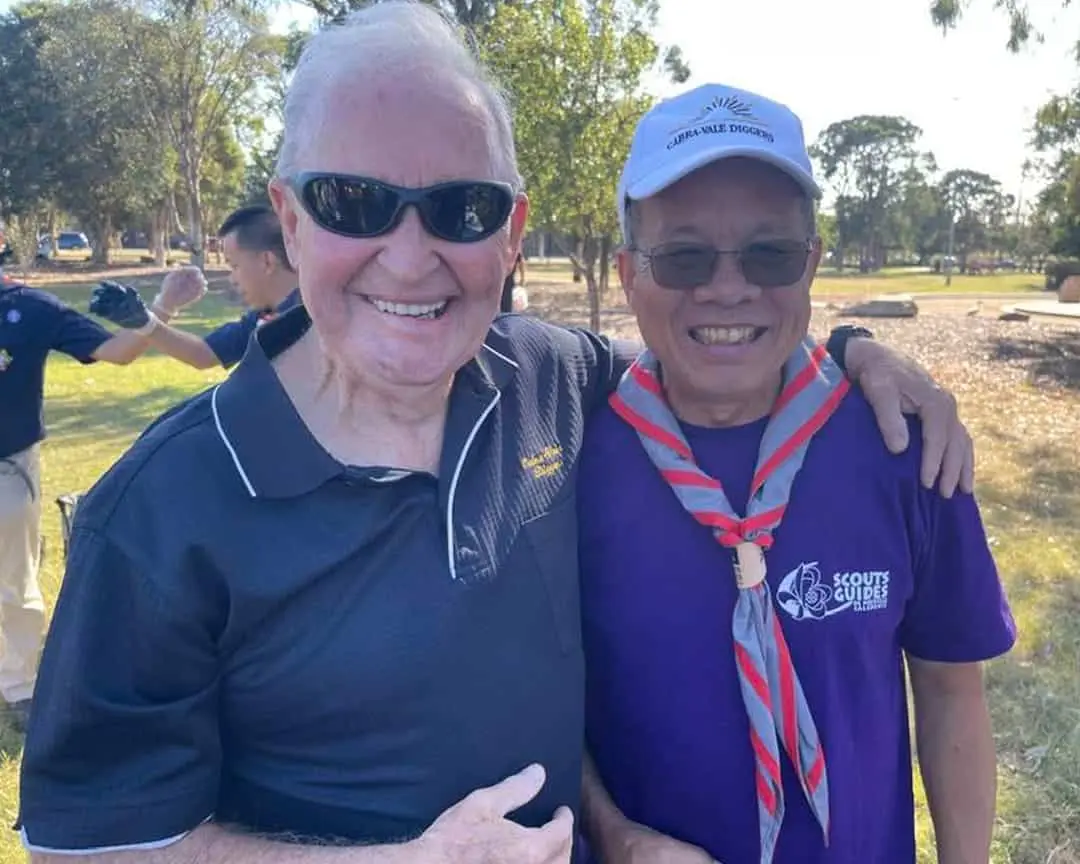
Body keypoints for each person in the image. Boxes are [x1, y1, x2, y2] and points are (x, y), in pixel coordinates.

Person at [19, 5, 974, 863]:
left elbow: (719, 340)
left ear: (511, 234)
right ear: (290, 218)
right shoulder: (155, 516)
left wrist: (859, 353)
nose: (409, 255)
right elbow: (95, 843)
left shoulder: (554, 384)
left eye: (459, 210)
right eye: (355, 202)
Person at [576, 83, 1016, 864]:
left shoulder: (906, 448)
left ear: (811, 262)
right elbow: (541, 701)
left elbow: (951, 691)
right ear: (627, 273)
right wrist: (614, 835)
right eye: (683, 256)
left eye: (768, 252)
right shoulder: (571, 465)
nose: (728, 287)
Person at [0, 279, 162, 731]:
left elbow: (119, 351)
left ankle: (18, 687)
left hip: (6, 465)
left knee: (13, 581)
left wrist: (160, 309)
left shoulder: (29, 308)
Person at [88, 205, 301, 369]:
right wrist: (145, 322)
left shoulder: (316, 316)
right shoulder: (261, 320)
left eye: (235, 265)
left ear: (267, 262)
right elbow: (204, 354)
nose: (232, 278)